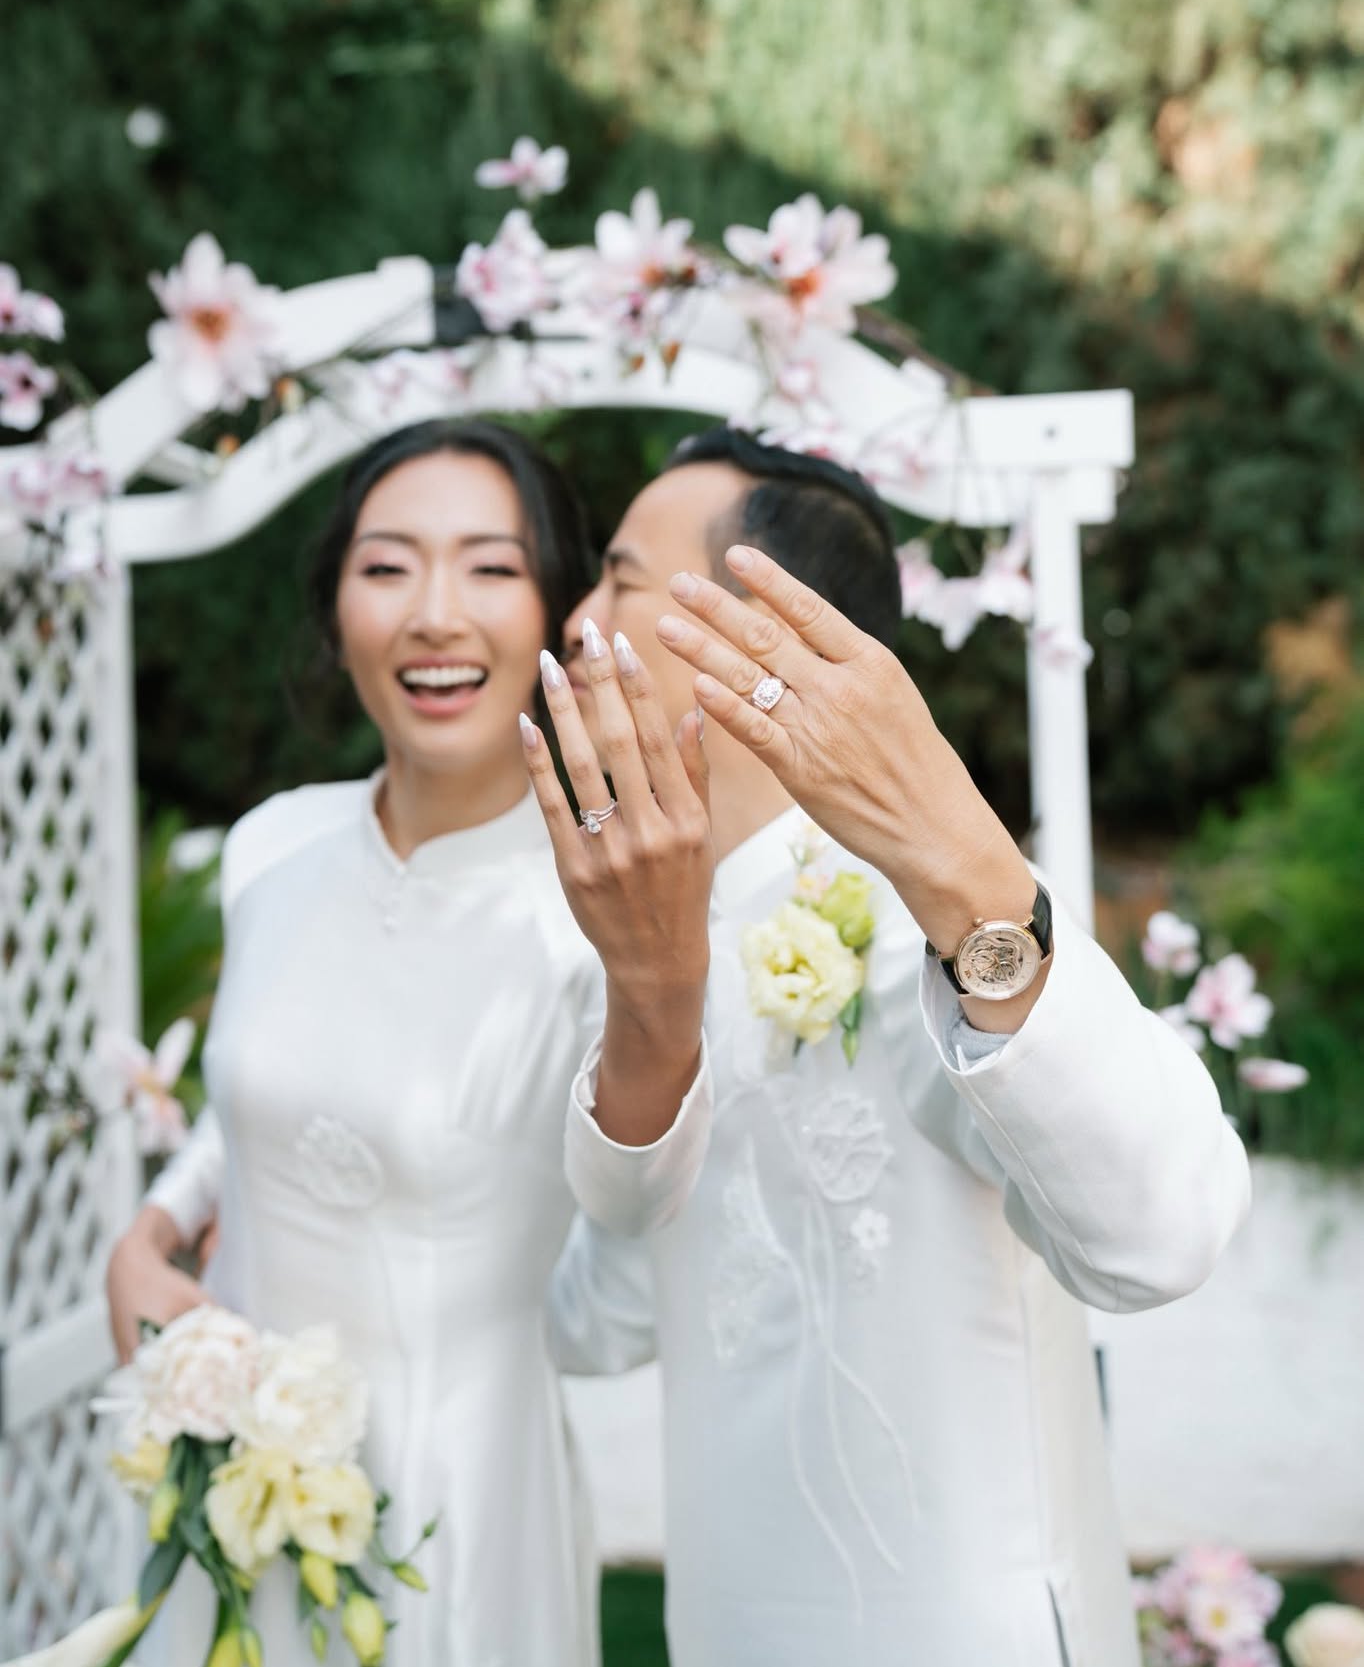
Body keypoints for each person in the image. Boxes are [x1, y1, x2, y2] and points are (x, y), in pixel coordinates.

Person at [523, 428, 1252, 1667]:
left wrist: (969, 882)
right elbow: (596, 1320)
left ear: (759, 625)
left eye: (622, 579)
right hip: (731, 1625)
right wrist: (646, 1006)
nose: (578, 620)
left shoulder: (936, 908)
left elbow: (1159, 1233)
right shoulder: (633, 936)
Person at [104, 419, 715, 1667]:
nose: (435, 614)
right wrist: (150, 1233)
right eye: (387, 566)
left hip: (456, 1498)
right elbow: (254, 1103)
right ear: (336, 614)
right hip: (222, 1477)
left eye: (489, 567)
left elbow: (639, 1207)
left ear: (555, 611)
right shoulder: (271, 846)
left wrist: (657, 991)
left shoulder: (600, 907)